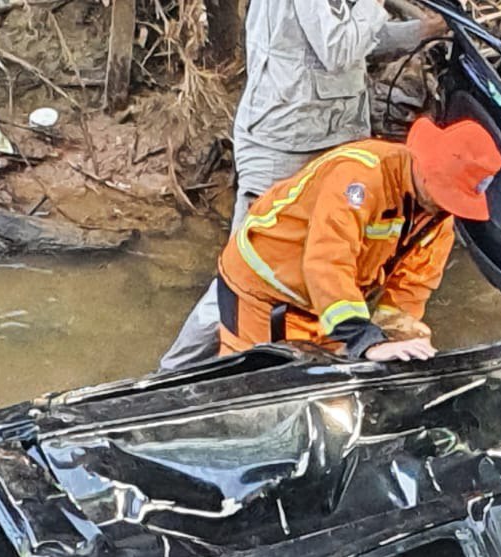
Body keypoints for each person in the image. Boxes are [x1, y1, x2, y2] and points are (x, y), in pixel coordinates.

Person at [157, 0, 446, 371]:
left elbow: (361, 39)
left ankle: (310, 359)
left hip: (333, 137)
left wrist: (421, 33)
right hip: (284, 143)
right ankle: (168, 376)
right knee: (250, 271)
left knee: (331, 258)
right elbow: (338, 48)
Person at [214, 116, 501, 361]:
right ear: (426, 168)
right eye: (444, 195)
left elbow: (413, 285)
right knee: (253, 391)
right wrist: (366, 340)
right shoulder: (360, 178)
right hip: (260, 294)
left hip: (322, 306)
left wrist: (396, 337)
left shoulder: (437, 217)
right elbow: (327, 262)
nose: (445, 207)